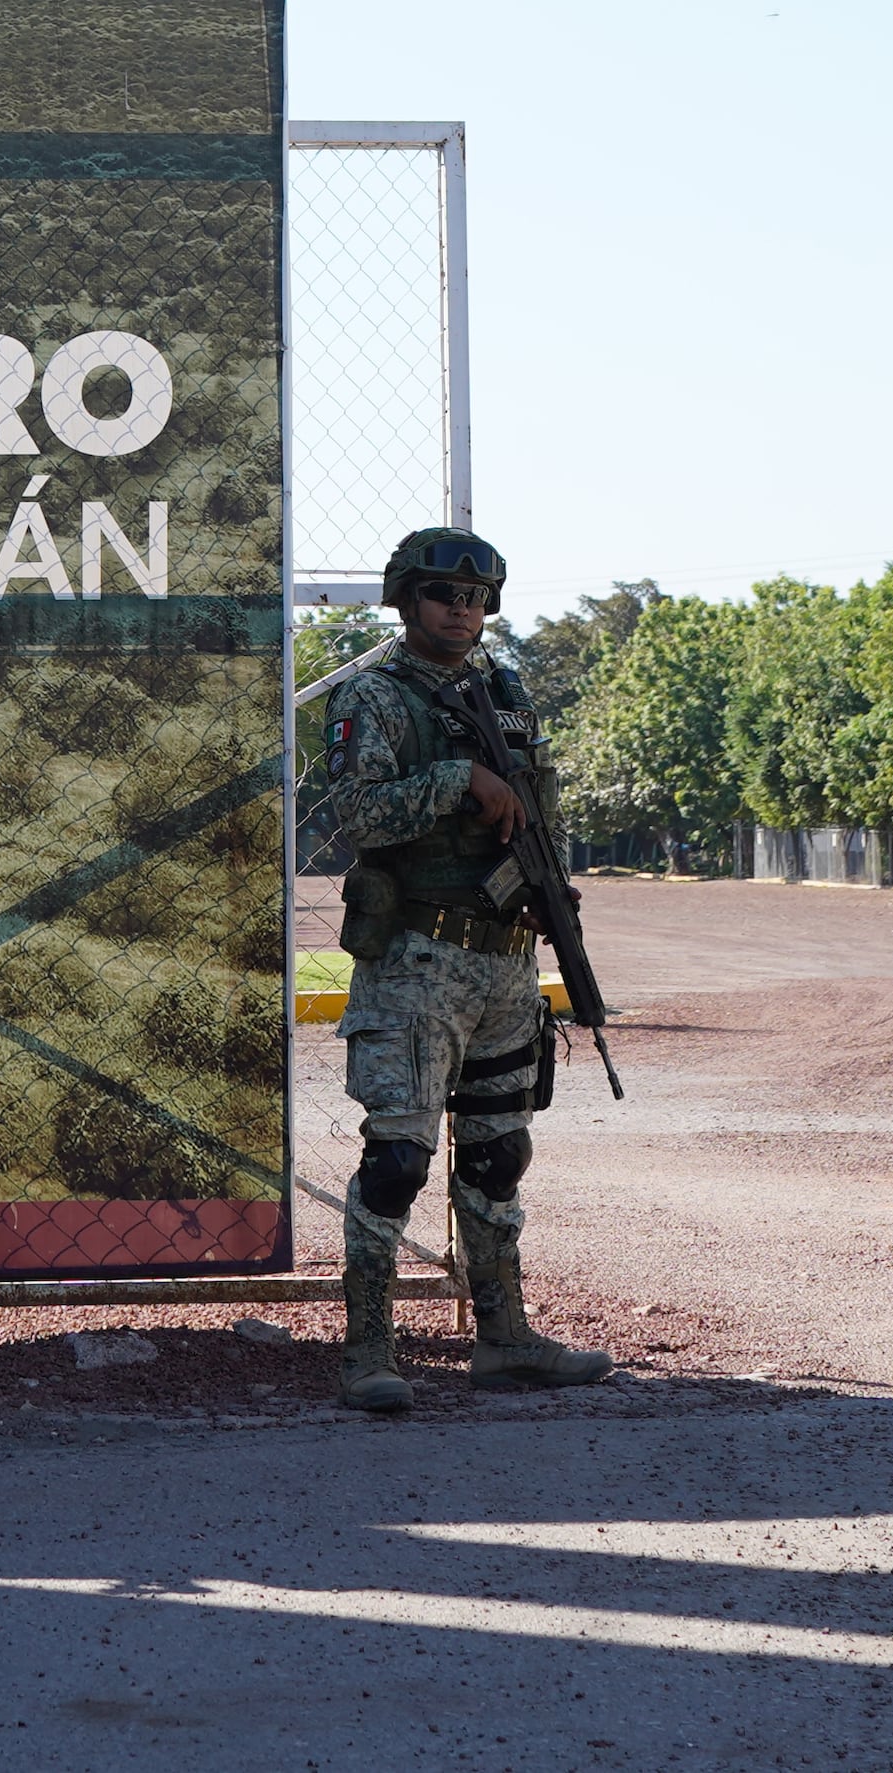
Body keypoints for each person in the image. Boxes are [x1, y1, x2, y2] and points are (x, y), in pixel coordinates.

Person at [301, 525, 612, 1415]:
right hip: (417, 961)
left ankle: (504, 1338)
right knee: (399, 1158)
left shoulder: (505, 691)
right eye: (443, 594)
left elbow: (539, 804)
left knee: (498, 1152)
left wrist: (550, 888)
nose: (461, 609)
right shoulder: (375, 695)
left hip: (506, 961)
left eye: (476, 598)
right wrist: (459, 779)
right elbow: (358, 815)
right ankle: (368, 1349)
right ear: (407, 598)